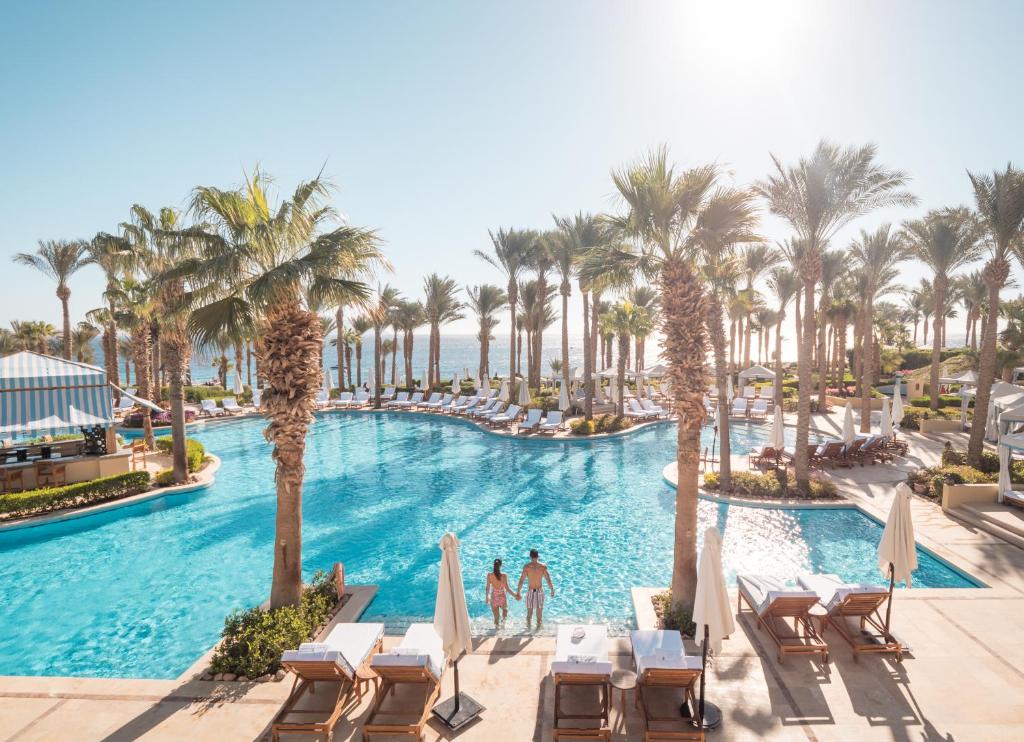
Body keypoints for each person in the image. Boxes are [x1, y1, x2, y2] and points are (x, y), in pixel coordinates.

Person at [516, 548, 555, 630]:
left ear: (530, 556)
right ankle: (538, 631)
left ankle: (528, 630)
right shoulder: (542, 567)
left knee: (529, 613)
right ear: (538, 556)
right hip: (539, 591)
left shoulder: (526, 567)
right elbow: (548, 579)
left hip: (531, 591)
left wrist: (518, 592)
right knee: (539, 613)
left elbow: (521, 580)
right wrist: (552, 589)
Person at [485, 558, 514, 628]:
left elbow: (487, 587)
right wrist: (515, 595)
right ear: (501, 565)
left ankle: (496, 631)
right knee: (505, 611)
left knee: (496, 617)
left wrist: (487, 597)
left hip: (494, 597)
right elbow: (507, 588)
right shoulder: (504, 576)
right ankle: (503, 627)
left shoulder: (489, 575)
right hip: (502, 596)